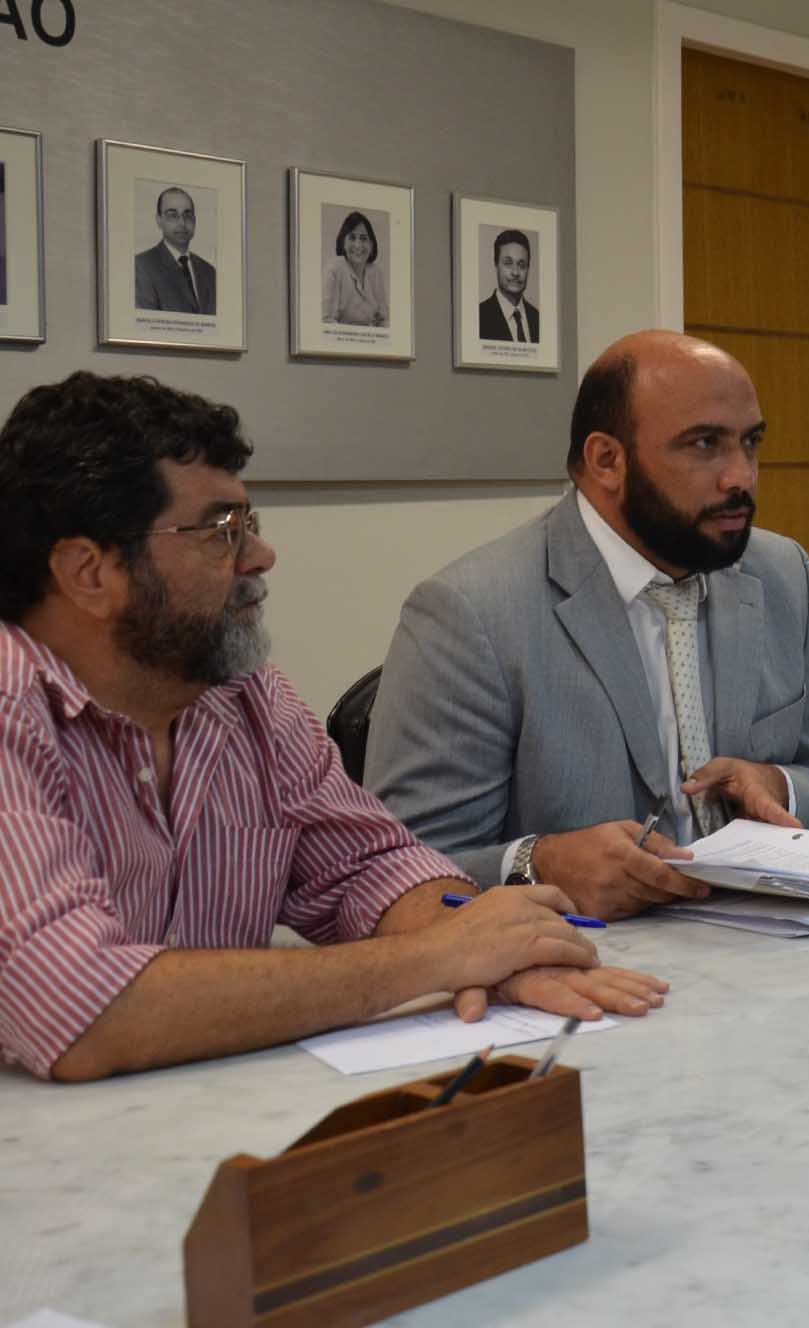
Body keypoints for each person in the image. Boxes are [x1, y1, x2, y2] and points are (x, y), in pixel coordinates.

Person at [0, 374, 667, 1084]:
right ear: (89, 572)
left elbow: (370, 867)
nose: (259, 557)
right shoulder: (13, 708)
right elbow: (79, 1013)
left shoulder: (244, 696)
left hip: (210, 1116)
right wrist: (437, 957)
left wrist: (496, 940)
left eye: (249, 526)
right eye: (222, 532)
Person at [368, 330, 809, 919]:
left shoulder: (783, 574)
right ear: (607, 460)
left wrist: (779, 785)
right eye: (705, 444)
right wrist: (539, 862)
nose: (741, 477)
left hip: (772, 956)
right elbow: (394, 871)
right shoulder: (472, 612)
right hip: (584, 972)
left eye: (750, 443)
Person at [131, 186, 217, 315]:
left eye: (187, 215)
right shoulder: (142, 266)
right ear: (159, 220)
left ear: (195, 220)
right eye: (172, 215)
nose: (182, 223)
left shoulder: (209, 271)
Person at [322, 209, 389, 328]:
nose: (358, 245)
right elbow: (326, 321)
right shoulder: (334, 270)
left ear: (371, 245)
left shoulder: (376, 272)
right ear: (343, 243)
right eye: (352, 238)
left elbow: (383, 320)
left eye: (363, 239)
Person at [476, 228, 538, 343]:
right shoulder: (478, 317)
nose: (515, 272)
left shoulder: (538, 319)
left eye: (522, 265)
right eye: (508, 263)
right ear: (496, 265)